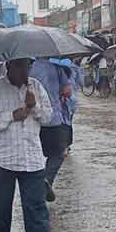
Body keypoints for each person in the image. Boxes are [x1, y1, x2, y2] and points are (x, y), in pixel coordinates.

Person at [0, 58, 56, 232]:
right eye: (20, 66)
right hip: (1, 158)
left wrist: (34, 106)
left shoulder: (37, 87)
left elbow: (49, 117)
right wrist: (11, 115)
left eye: (27, 67)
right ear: (9, 67)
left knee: (36, 208)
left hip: (31, 158)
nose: (24, 71)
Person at [30, 59, 75, 202]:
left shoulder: (26, 67)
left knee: (33, 155)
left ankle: (34, 185)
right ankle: (46, 179)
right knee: (57, 154)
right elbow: (67, 91)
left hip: (31, 120)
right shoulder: (57, 68)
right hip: (53, 120)